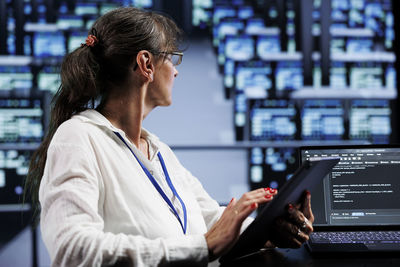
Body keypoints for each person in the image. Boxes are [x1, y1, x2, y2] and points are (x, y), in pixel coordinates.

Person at [25, 7, 314, 266]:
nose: (176, 72)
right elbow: (73, 251)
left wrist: (268, 230)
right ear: (145, 64)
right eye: (172, 58)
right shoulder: (78, 137)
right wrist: (203, 247)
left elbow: (209, 219)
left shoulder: (158, 150)